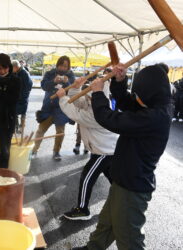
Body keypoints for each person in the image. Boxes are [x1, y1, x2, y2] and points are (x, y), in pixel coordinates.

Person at [72, 64, 172, 250]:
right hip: (124, 179)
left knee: (129, 238)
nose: (136, 98)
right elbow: (127, 103)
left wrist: (98, 93)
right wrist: (119, 81)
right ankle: (94, 247)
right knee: (107, 223)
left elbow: (109, 119)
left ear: (148, 93)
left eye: (138, 94)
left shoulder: (153, 117)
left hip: (132, 187)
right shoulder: (155, 104)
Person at [56, 77, 118, 220]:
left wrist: (62, 98)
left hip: (104, 152)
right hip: (105, 150)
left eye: (91, 92)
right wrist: (77, 87)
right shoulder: (95, 102)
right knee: (114, 179)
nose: (88, 95)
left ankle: (82, 209)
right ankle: (122, 200)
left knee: (86, 177)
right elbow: (79, 102)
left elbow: (75, 113)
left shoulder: (101, 111)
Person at [31, 56, 75, 161]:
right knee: (41, 130)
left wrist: (67, 83)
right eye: (61, 65)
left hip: (61, 108)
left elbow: (72, 91)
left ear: (68, 67)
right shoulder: (50, 73)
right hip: (48, 106)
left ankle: (56, 152)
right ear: (57, 65)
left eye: (65, 66)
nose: (63, 68)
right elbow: (44, 86)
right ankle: (34, 150)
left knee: (60, 132)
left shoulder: (70, 76)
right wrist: (54, 81)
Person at [12, 60, 33, 133]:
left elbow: (29, 86)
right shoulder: (16, 72)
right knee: (14, 113)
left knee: (23, 113)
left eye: (12, 68)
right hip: (16, 97)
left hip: (23, 97)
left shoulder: (24, 73)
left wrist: (23, 95)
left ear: (15, 67)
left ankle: (21, 127)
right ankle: (15, 127)